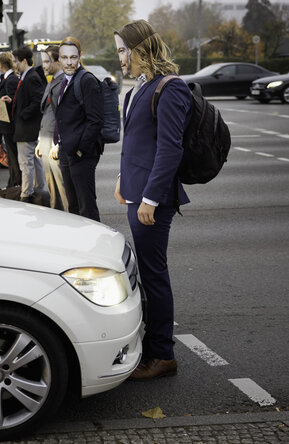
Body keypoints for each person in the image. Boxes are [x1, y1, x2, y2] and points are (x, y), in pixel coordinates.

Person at [113, 20, 192, 380]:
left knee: (153, 275)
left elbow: (169, 150)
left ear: (138, 50)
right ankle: (152, 345)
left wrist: (150, 199)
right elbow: (135, 143)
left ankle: (163, 355)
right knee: (143, 272)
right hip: (135, 193)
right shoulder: (138, 89)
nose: (120, 59)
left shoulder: (170, 88)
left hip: (152, 202)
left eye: (121, 51)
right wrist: (121, 179)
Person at [54, 37, 104, 221]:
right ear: (59, 59)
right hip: (67, 152)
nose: (69, 62)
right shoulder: (64, 80)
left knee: (87, 208)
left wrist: (81, 149)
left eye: (73, 57)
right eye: (65, 57)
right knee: (73, 207)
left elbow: (96, 121)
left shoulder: (87, 80)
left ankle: (96, 247)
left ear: (80, 57)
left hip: (82, 154)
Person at [5, 46, 46, 203]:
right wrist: (13, 101)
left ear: (23, 61)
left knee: (26, 163)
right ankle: (38, 190)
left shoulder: (31, 77)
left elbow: (37, 100)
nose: (14, 64)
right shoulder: (28, 75)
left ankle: (26, 194)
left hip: (27, 128)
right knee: (35, 161)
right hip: (28, 127)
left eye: (15, 61)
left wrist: (23, 114)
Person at [35, 46, 69, 211]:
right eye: (43, 62)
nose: (44, 65)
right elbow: (48, 112)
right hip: (46, 140)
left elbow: (63, 117)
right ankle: (58, 218)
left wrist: (58, 143)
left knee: (62, 186)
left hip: (54, 143)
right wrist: (41, 140)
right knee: (51, 184)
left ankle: (71, 220)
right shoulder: (52, 81)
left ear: (58, 61)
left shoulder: (63, 82)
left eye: (47, 61)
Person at [0, 51, 21, 188]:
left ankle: (15, 183)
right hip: (6, 124)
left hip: (10, 125)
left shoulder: (11, 79)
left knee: (13, 156)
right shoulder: (6, 79)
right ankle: (13, 182)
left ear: (1, 64)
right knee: (11, 155)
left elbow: (13, 100)